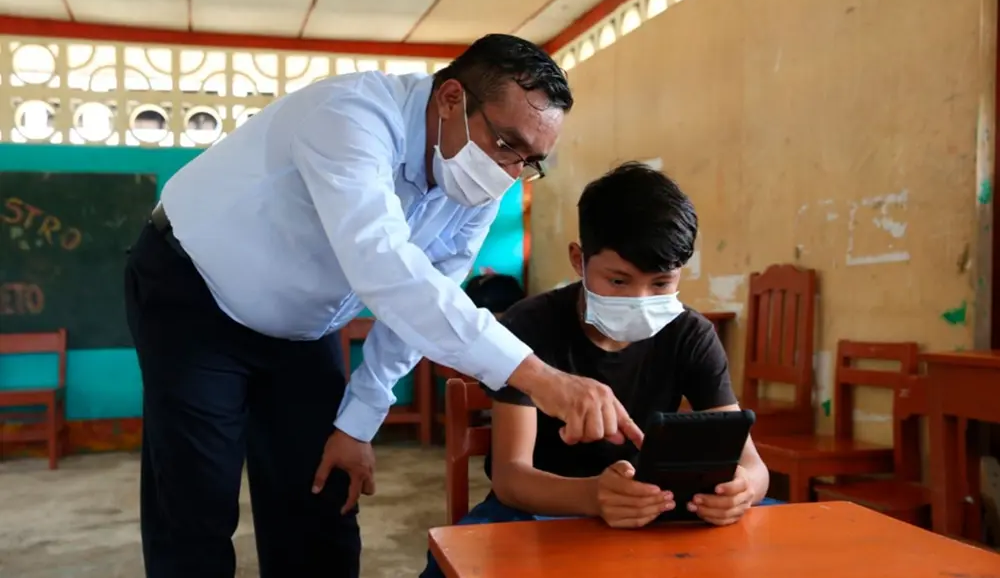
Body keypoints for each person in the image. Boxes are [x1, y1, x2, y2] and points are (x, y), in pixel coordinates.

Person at [124, 34, 643, 578]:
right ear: (450, 100)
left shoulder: (475, 187)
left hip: (302, 324)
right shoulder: (350, 116)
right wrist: (540, 378)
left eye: (530, 161)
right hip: (195, 291)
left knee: (322, 497)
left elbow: (426, 298)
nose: (511, 173)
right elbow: (385, 268)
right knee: (197, 501)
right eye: (506, 144)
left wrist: (358, 425)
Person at [421, 162, 775, 578]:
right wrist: (592, 497)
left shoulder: (689, 334)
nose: (641, 299)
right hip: (544, 507)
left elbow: (751, 464)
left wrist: (742, 489)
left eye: (661, 283)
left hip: (656, 510)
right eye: (619, 281)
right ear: (579, 260)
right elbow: (511, 478)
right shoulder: (529, 326)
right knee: (457, 564)